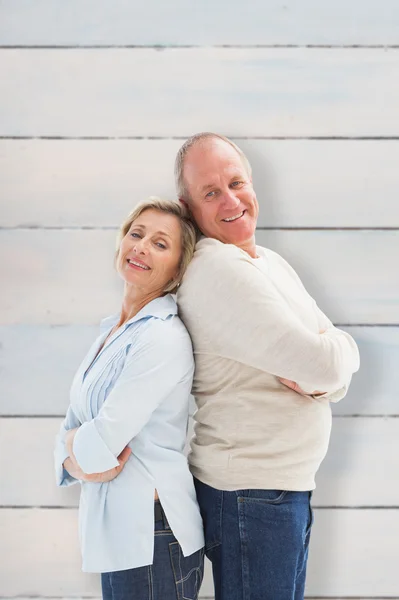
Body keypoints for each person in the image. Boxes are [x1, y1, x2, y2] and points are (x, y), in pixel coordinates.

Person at [175, 133, 360, 600]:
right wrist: (327, 367)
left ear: (253, 183)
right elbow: (324, 360)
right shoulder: (218, 270)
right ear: (187, 206)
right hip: (251, 495)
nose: (231, 200)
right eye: (211, 192)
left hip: (277, 490)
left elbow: (334, 361)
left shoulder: (269, 263)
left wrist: (327, 374)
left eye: (236, 182)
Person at [54, 197, 205, 600]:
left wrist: (74, 450)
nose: (140, 246)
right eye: (136, 234)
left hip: (152, 533)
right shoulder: (113, 331)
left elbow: (101, 441)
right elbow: (71, 427)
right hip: (120, 535)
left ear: (178, 267)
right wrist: (74, 453)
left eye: (160, 243)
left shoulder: (162, 337)